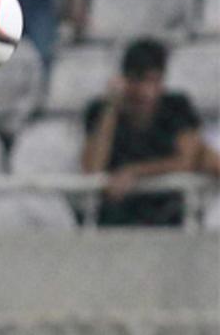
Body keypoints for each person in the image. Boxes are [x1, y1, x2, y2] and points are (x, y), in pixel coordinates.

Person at [81, 38, 203, 226]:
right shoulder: (101, 111)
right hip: (117, 218)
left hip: (168, 215)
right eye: (140, 81)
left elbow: (188, 160)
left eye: (154, 81)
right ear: (126, 80)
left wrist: (136, 172)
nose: (147, 92)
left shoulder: (177, 107)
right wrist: (111, 110)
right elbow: (93, 169)